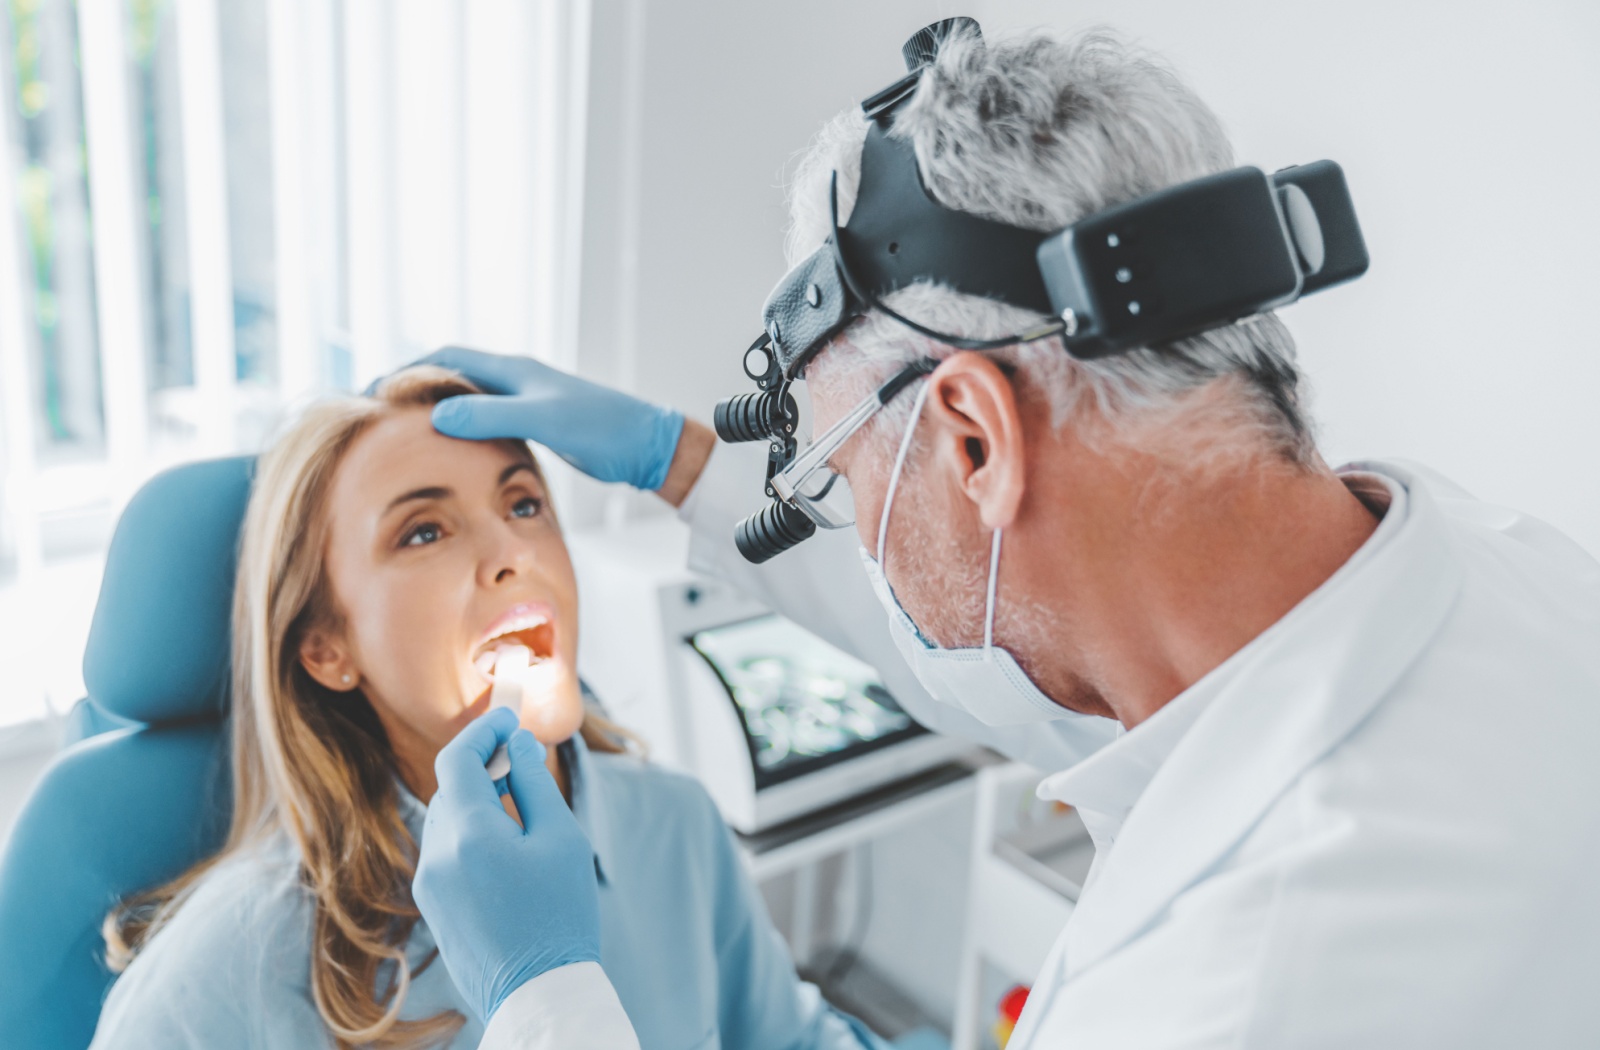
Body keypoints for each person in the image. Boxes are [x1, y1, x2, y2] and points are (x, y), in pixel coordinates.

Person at [409, 24, 1600, 1050]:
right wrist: (683, 463)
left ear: (974, 437)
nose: (857, 534)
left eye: (836, 478)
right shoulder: (1509, 573)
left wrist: (545, 1000)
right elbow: (1076, 664)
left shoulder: (1233, 997)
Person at [90, 367, 884, 1049]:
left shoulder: (677, 826)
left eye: (525, 504)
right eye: (424, 531)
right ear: (328, 647)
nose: (513, 554)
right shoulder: (231, 963)